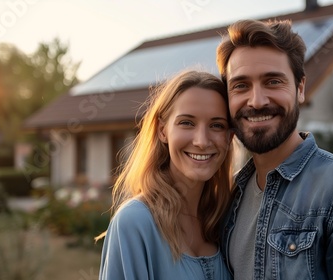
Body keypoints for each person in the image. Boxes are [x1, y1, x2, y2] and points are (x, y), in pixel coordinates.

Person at [215, 19, 333, 279]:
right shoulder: (228, 197)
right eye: (240, 86)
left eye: (273, 82)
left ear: (300, 88)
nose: (257, 101)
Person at [97, 70, 234, 280]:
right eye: (187, 122)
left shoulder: (225, 219)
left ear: (229, 137)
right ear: (162, 130)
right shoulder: (135, 223)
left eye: (217, 125)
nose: (202, 141)